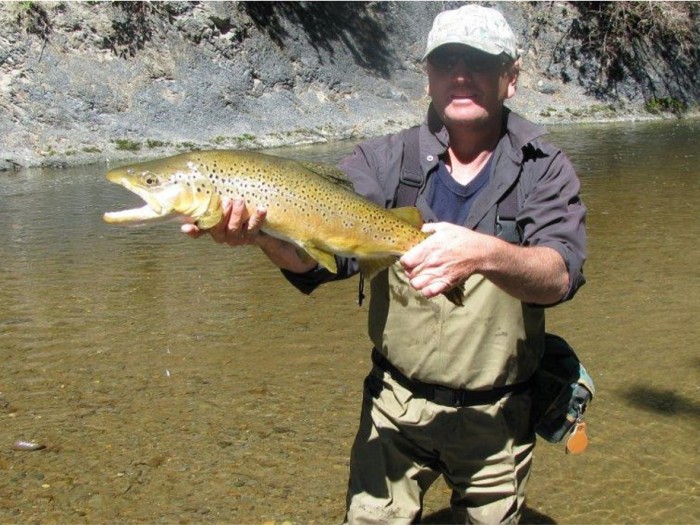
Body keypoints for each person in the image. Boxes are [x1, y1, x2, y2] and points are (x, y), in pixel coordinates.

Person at [183, 4, 586, 524]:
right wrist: (266, 239)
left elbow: (558, 276)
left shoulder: (544, 168)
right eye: (446, 62)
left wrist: (485, 253)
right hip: (394, 406)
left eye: (479, 62)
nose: (460, 75)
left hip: (499, 414)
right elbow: (328, 261)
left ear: (510, 78)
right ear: (428, 78)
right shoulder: (382, 161)